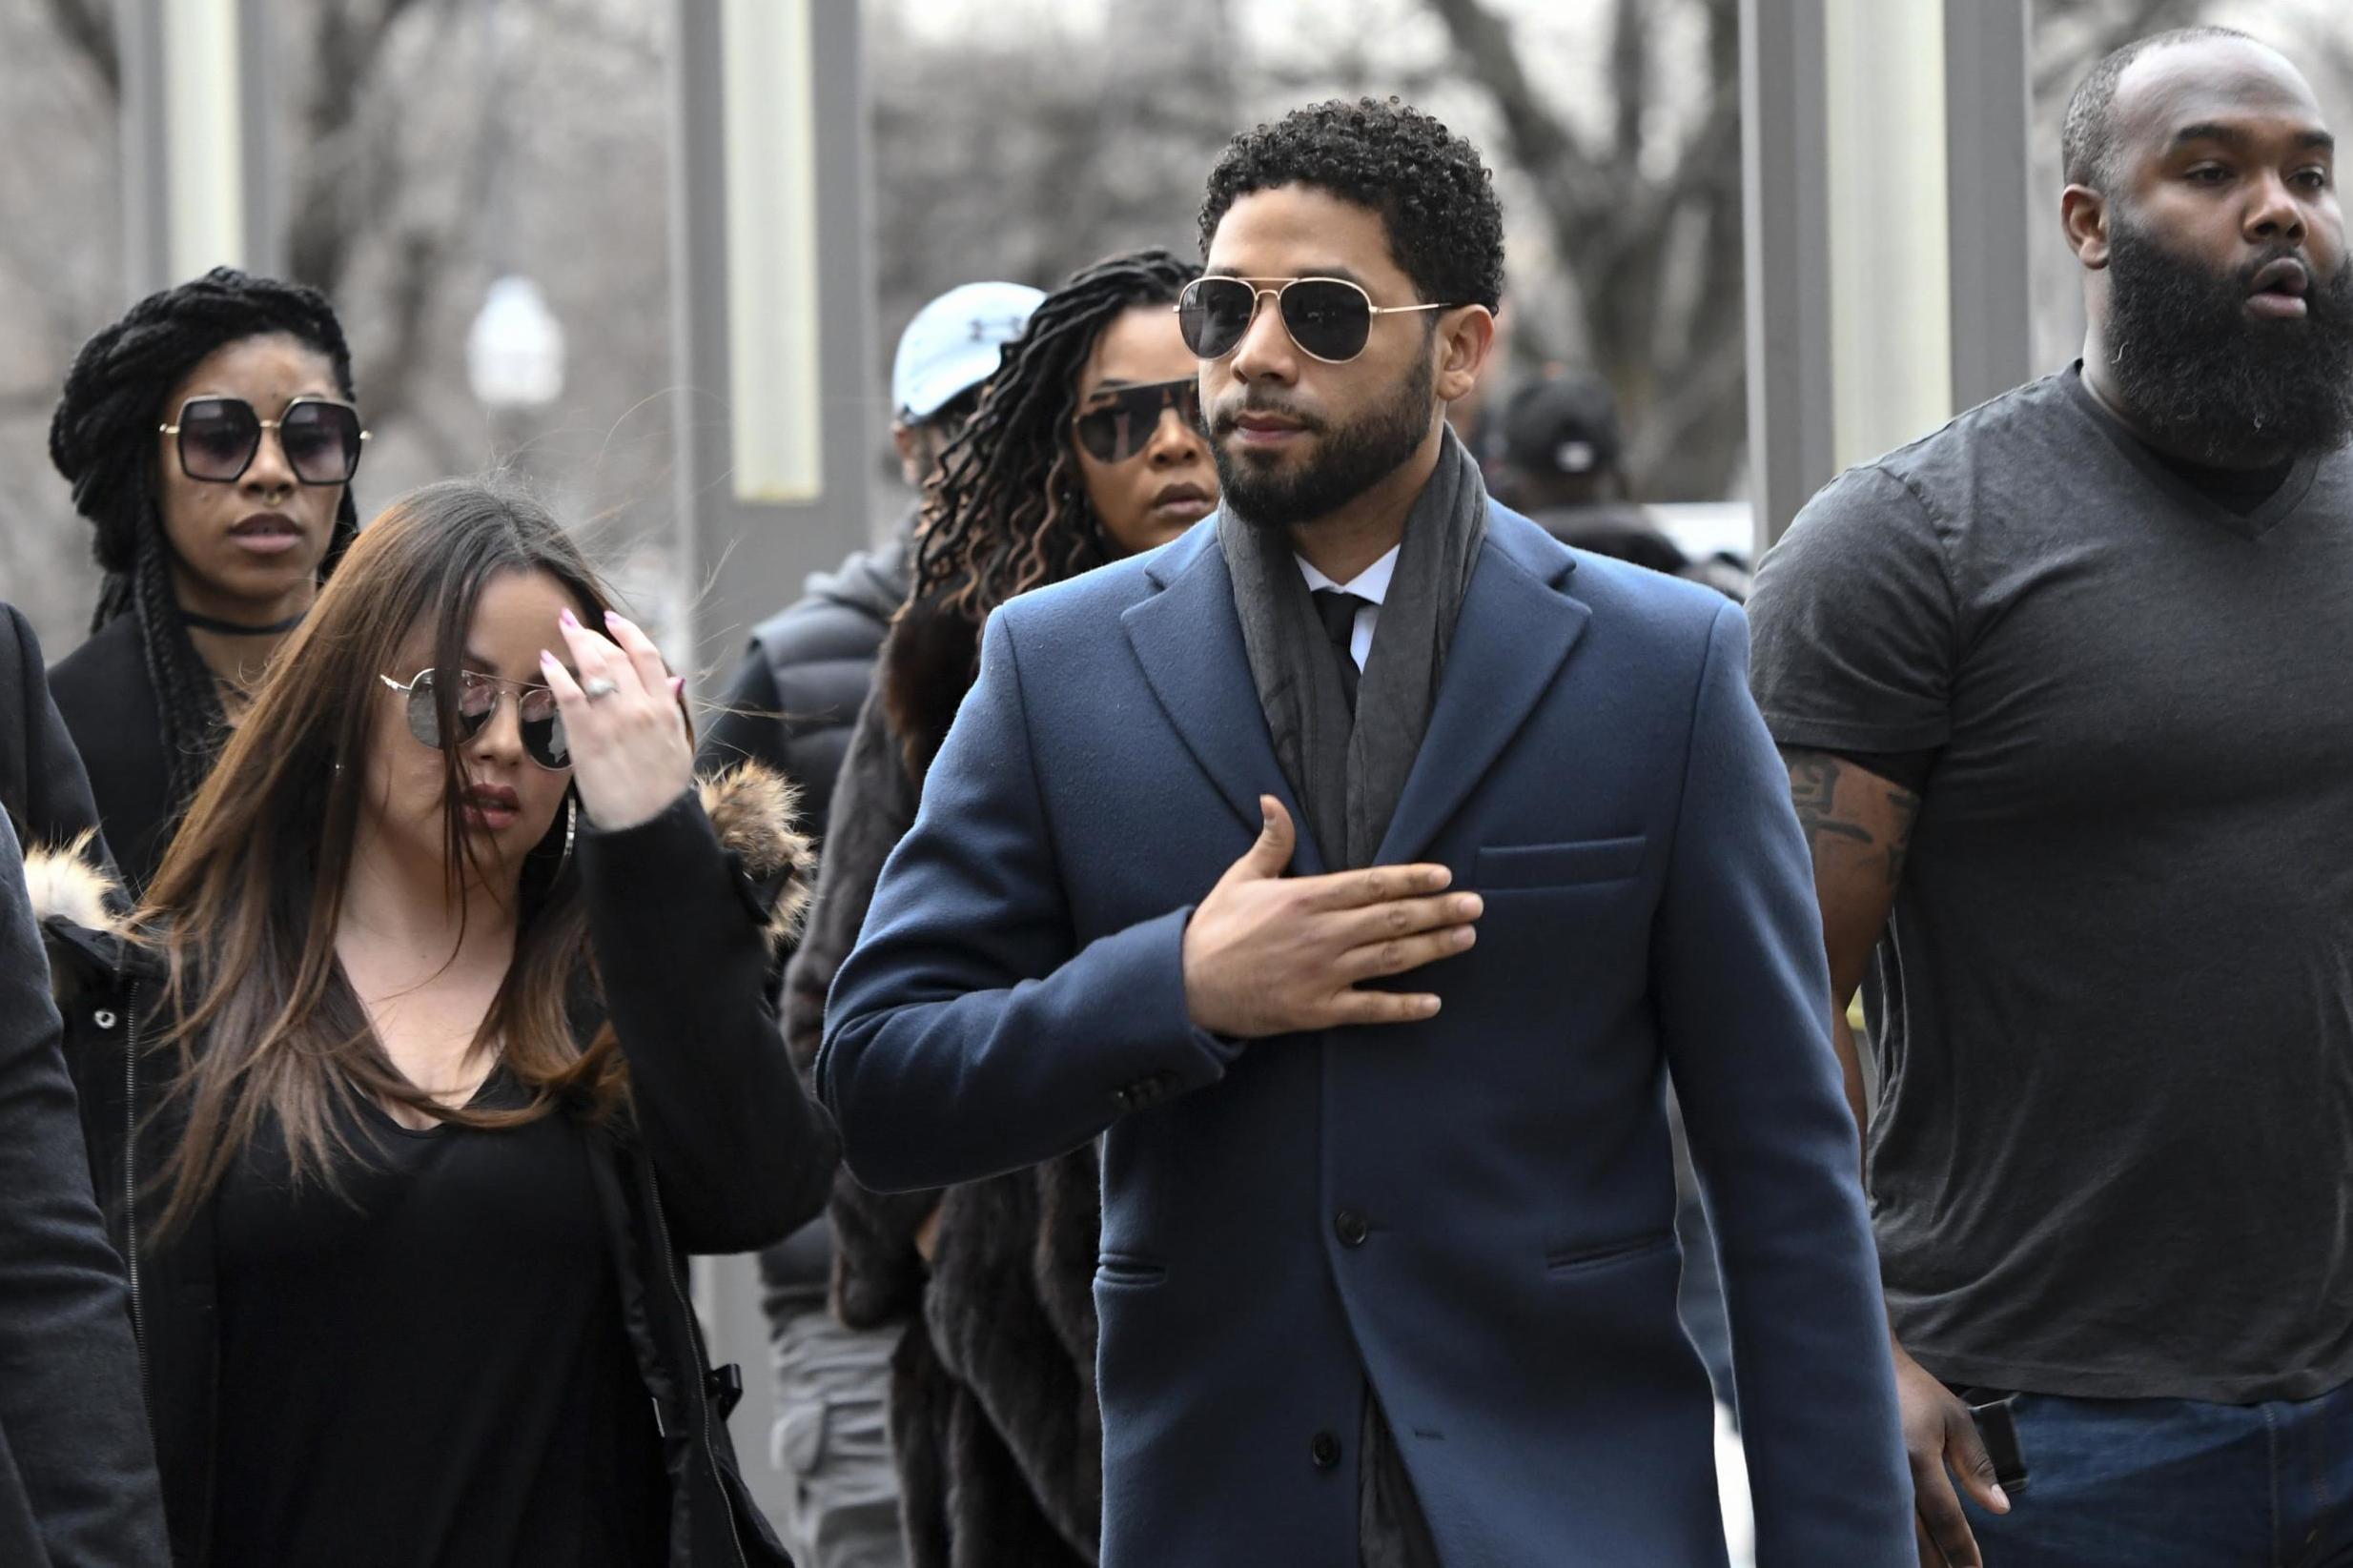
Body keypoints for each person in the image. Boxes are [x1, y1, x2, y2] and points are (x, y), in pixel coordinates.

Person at [820, 98, 1910, 1567]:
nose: (1254, 355)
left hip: (1575, 1521)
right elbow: (879, 1082)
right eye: (1224, 309)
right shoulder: (1051, 667)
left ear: (1463, 348)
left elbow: (1784, 1180)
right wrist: (1179, 989)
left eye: (1323, 314)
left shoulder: (1666, 668)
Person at [1747, 28, 2353, 1568]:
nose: (2275, 209)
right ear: (2086, 220)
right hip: (2044, 1443)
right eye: (2208, 172)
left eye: (2308, 175)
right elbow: (1760, 1003)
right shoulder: (1906, 546)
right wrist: (1841, 1351)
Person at [38, 479, 837, 1567]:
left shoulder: (623, 993)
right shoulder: (173, 1003)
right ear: (341, 700)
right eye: (450, 703)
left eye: (550, 719)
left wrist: (654, 836)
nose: (502, 741)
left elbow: (760, 1189)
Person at [785, 246, 1217, 1568]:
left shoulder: (1344, 646)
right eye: (1117, 420)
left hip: (1280, 1326)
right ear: (1059, 452)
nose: (1169, 447)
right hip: (1024, 1387)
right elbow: (829, 1014)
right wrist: (959, 1246)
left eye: (1192, 403)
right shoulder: (954, 657)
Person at [697, 277, 1041, 1568]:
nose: (997, 445)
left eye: (1029, 409)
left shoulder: (1139, 638)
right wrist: (894, 1216)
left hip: (1084, 1289)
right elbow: (735, 998)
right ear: (910, 446)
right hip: (862, 1298)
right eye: (966, 419)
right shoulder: (800, 667)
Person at [47, 268, 368, 893]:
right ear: (147, 468)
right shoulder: (63, 730)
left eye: (311, 437)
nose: (271, 473)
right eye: (220, 437)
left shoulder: (407, 698)